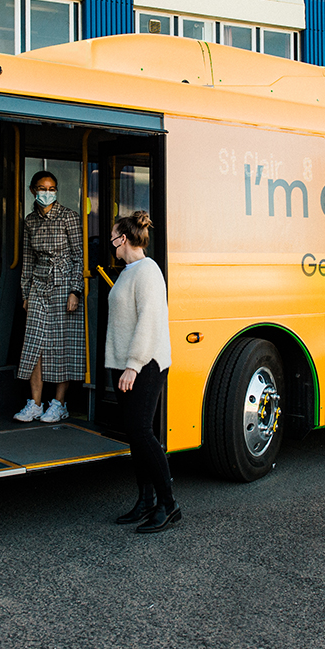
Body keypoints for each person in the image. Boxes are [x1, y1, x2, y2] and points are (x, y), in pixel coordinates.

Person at [106, 211, 179, 533]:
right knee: (136, 436)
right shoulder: (129, 270)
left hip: (144, 365)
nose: (110, 242)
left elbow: (149, 321)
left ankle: (169, 504)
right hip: (124, 364)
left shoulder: (147, 271)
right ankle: (146, 501)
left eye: (113, 237)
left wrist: (133, 365)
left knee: (142, 433)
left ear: (124, 239)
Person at [13, 171, 84, 424]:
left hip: (64, 285)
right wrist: (25, 293)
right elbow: (27, 261)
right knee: (35, 345)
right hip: (38, 286)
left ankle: (59, 403)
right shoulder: (30, 221)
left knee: (62, 344)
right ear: (33, 190)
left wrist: (75, 290)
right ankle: (34, 403)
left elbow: (79, 256)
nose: (47, 192)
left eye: (52, 188)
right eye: (43, 188)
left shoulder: (69, 217)